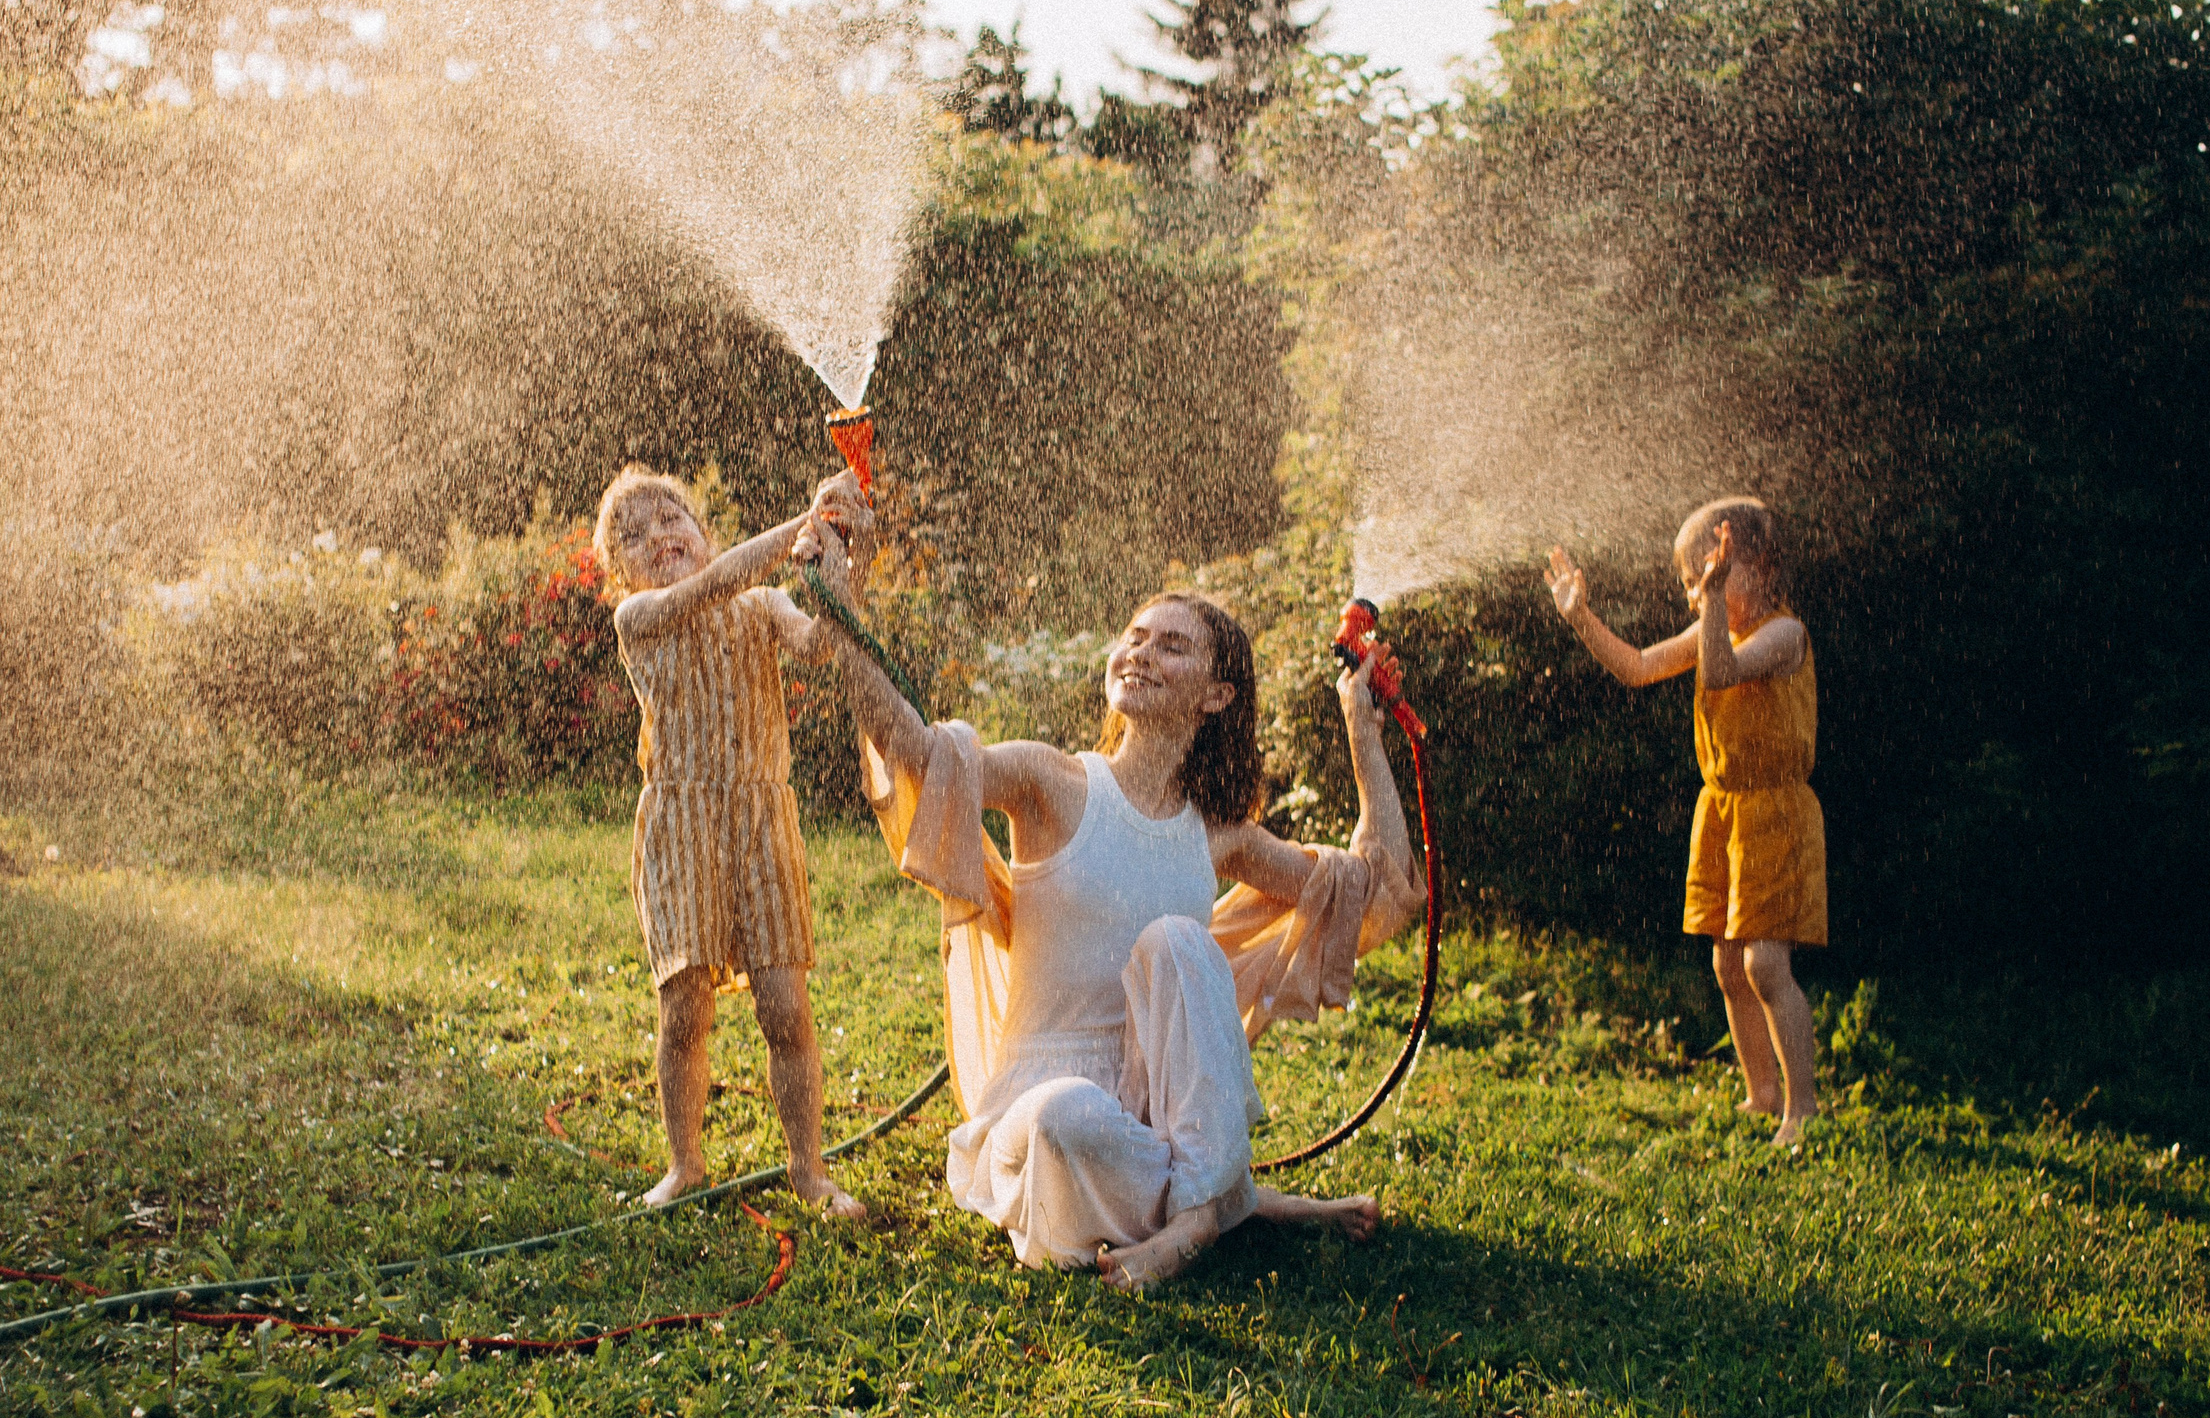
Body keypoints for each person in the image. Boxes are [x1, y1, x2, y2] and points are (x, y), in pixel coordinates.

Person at [796, 516, 1425, 1289]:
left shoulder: (1219, 833)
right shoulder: (1051, 782)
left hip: (1153, 1108)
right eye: (1135, 635)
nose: (1141, 652)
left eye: (1172, 645)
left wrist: (1363, 733)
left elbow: (1368, 879)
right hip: (1051, 1109)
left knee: (1180, 942)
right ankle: (1233, 1199)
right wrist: (840, 612)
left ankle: (1194, 1220)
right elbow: (917, 752)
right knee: (1066, 1117)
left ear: (1216, 696)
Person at [594, 465, 869, 1217]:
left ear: (702, 528)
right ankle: (686, 1164)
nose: (659, 535)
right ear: (620, 571)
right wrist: (800, 525)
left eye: (671, 516)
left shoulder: (763, 601)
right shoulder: (642, 616)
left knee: (786, 1006)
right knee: (686, 1007)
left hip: (761, 820)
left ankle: (808, 1169)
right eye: (634, 534)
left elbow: (819, 643)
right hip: (681, 828)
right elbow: (701, 592)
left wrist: (842, 559)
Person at [1543, 498, 1827, 1146]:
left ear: (1755, 565)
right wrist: (1579, 616)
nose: (1695, 591)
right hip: (1723, 808)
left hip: (1774, 810)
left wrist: (1712, 597)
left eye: (1706, 575)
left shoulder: (1785, 634)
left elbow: (1722, 671)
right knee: (1728, 964)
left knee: (1765, 964)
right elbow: (1639, 667)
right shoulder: (1714, 627)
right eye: (1692, 581)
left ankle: (1802, 1108)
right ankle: (1761, 1094)